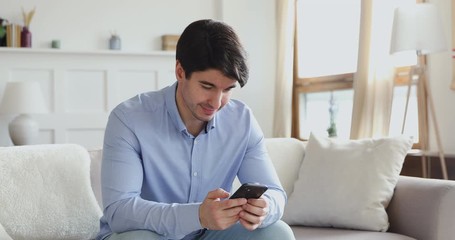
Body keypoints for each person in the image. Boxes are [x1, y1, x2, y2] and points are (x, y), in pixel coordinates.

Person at [96, 19, 295, 240]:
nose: (217, 102)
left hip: (210, 234)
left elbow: (276, 194)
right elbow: (120, 211)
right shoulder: (128, 119)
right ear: (180, 72)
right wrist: (197, 215)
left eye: (227, 89)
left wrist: (264, 208)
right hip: (149, 234)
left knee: (278, 233)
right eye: (207, 87)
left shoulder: (242, 121)